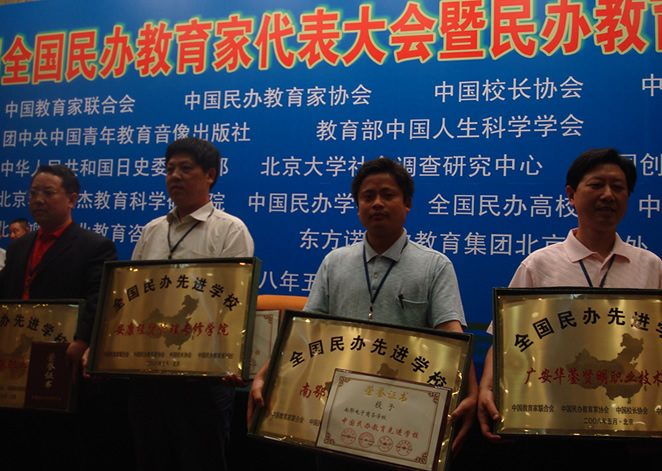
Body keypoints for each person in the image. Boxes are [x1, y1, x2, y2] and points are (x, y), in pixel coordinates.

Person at [249, 157, 478, 460]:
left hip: (404, 414)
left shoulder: (435, 265)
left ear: (407, 203)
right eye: (368, 196)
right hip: (336, 410)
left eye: (388, 195)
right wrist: (265, 374)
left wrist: (471, 392)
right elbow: (305, 331)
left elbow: (452, 334)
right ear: (357, 206)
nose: (377, 203)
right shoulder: (335, 262)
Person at [477, 148, 662, 441]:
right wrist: (486, 388)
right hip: (552, 419)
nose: (608, 195)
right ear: (571, 195)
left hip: (630, 421)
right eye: (596, 185)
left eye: (618, 187)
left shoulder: (651, 267)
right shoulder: (539, 265)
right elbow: (504, 339)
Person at [128, 137, 254, 471]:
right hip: (149, 373)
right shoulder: (152, 230)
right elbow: (132, 296)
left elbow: (234, 304)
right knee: (150, 459)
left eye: (185, 168)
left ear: (210, 175)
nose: (175, 176)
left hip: (202, 379)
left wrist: (232, 359)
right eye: (169, 169)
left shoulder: (230, 230)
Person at [0, 164, 118, 468]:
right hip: (15, 361)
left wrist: (84, 339)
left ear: (72, 199)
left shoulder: (94, 246)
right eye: (33, 193)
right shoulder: (18, 247)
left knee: (56, 446)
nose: (38, 200)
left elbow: (99, 299)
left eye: (48, 193)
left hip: (62, 359)